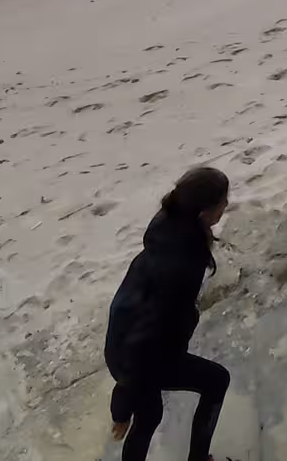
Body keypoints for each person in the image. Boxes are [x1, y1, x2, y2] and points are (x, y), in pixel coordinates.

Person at [103, 166, 233, 461]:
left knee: (148, 416)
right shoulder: (182, 266)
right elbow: (145, 336)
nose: (227, 206)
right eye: (223, 202)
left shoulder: (169, 223)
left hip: (123, 343)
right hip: (140, 357)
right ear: (204, 212)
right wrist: (123, 397)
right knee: (217, 381)